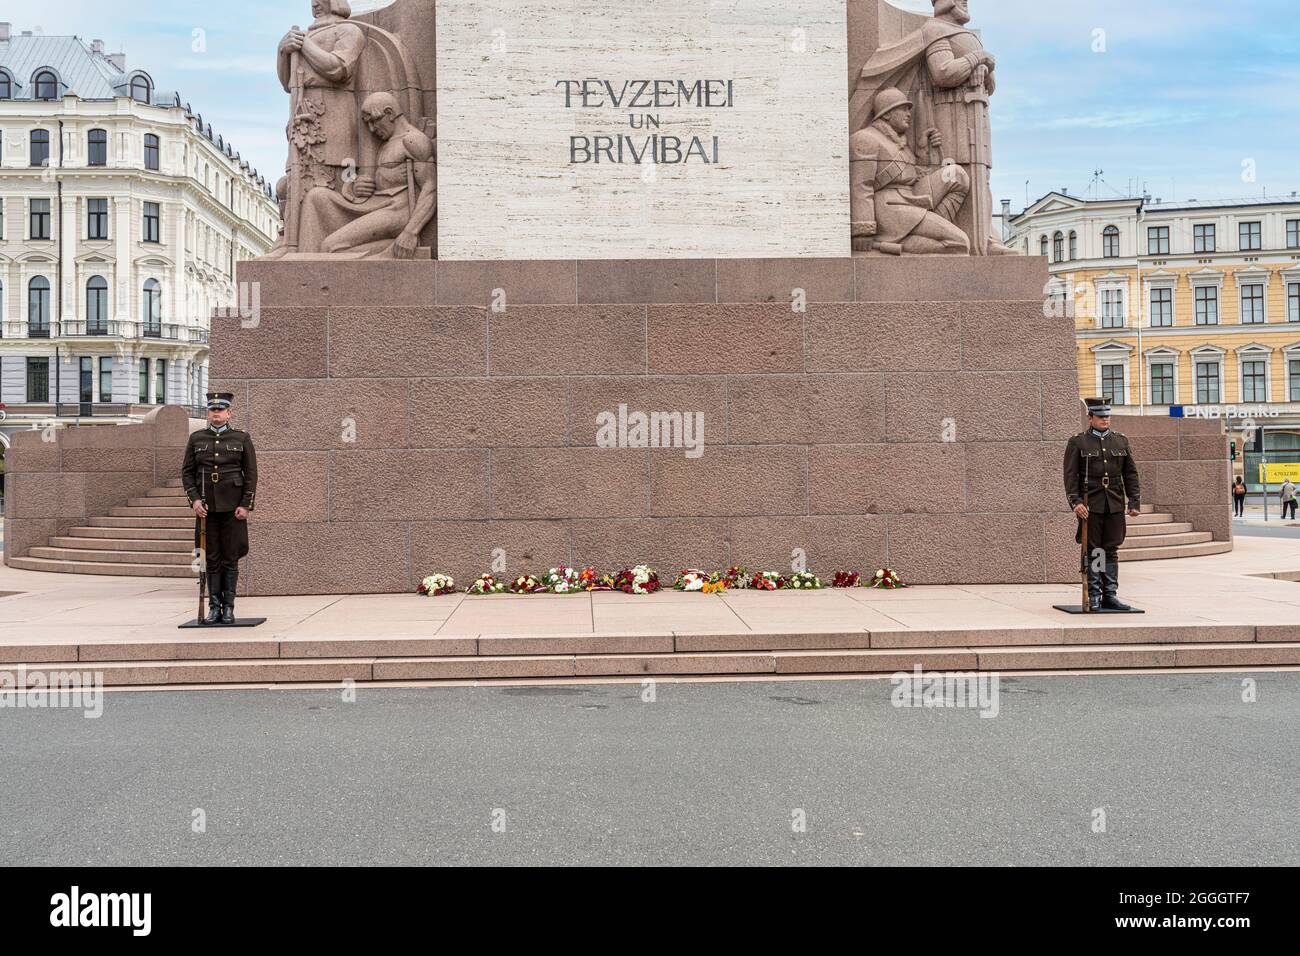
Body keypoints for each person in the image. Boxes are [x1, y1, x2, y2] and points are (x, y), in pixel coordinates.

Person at [850, 88, 970, 255]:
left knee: (956, 175)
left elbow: (912, 176)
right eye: (903, 109)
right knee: (960, 243)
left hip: (910, 197)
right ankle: (897, 243)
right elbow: (861, 185)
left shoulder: (900, 142)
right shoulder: (865, 138)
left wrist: (924, 151)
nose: (909, 114)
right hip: (889, 208)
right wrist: (863, 229)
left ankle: (931, 226)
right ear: (886, 114)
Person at [182, 392, 258, 625]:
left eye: (220, 410)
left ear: (228, 413)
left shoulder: (241, 438)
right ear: (209, 413)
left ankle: (229, 608)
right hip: (206, 509)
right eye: (213, 410)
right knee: (209, 558)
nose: (216, 413)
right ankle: (214, 607)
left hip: (233, 507)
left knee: (230, 557)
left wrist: (246, 504)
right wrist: (194, 500)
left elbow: (251, 474)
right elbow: (187, 473)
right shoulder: (196, 438)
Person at [1064, 398, 1141, 611]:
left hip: (1114, 503)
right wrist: (1075, 502)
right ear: (1090, 418)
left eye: (1107, 416)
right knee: (1095, 549)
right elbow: (1070, 476)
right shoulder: (1078, 442)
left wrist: (1134, 501)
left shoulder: (1120, 441)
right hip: (1092, 505)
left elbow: (1130, 474)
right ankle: (1095, 594)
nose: (1105, 419)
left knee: (1112, 548)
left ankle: (1110, 594)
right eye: (1100, 416)